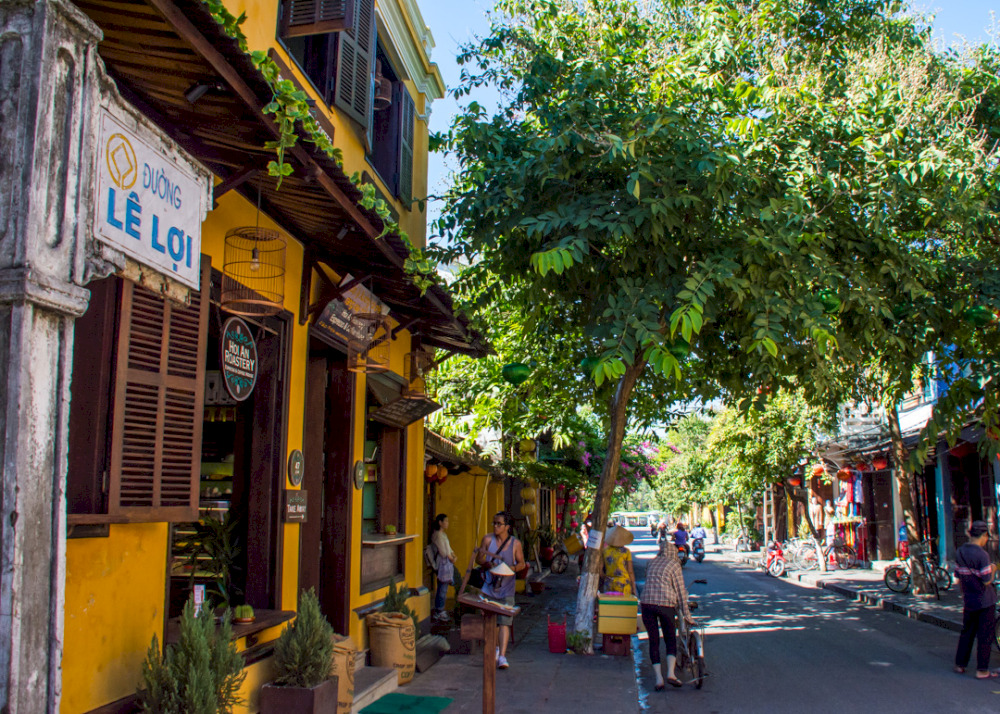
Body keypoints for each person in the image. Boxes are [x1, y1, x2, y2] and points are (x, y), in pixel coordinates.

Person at [640, 539, 694, 690]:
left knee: (654, 640)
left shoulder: (651, 562)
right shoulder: (674, 565)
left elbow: (649, 580)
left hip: (647, 604)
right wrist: (687, 615)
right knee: (670, 638)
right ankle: (670, 673)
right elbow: (680, 591)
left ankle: (659, 679)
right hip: (665, 605)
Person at [477, 511, 527, 670]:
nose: (496, 526)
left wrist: (510, 568)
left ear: (507, 526)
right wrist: (487, 564)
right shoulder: (487, 539)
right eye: (494, 523)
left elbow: (522, 563)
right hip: (489, 587)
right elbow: (479, 558)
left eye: (499, 524)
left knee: (505, 622)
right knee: (490, 622)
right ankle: (494, 650)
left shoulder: (515, 544)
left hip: (506, 588)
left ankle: (502, 655)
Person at [953, 520, 998, 679]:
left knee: (967, 632)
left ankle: (960, 664)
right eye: (987, 536)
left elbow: (958, 575)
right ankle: (982, 670)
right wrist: (993, 569)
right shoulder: (982, 554)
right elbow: (986, 580)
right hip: (985, 600)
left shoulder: (960, 551)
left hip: (969, 599)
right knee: (984, 635)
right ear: (984, 535)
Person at [430, 513, 457, 622]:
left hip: (447, 562)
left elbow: (449, 549)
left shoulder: (443, 535)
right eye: (445, 521)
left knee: (443, 587)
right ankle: (439, 610)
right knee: (442, 587)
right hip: (443, 563)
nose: (447, 523)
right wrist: (451, 557)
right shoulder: (437, 535)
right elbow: (443, 552)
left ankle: (440, 609)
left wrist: (453, 555)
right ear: (440, 522)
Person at [601, 525, 637, 595]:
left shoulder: (605, 551)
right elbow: (630, 571)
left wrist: (607, 578)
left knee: (610, 605)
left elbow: (600, 570)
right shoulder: (626, 552)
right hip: (623, 584)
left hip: (609, 583)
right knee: (622, 605)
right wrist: (633, 587)